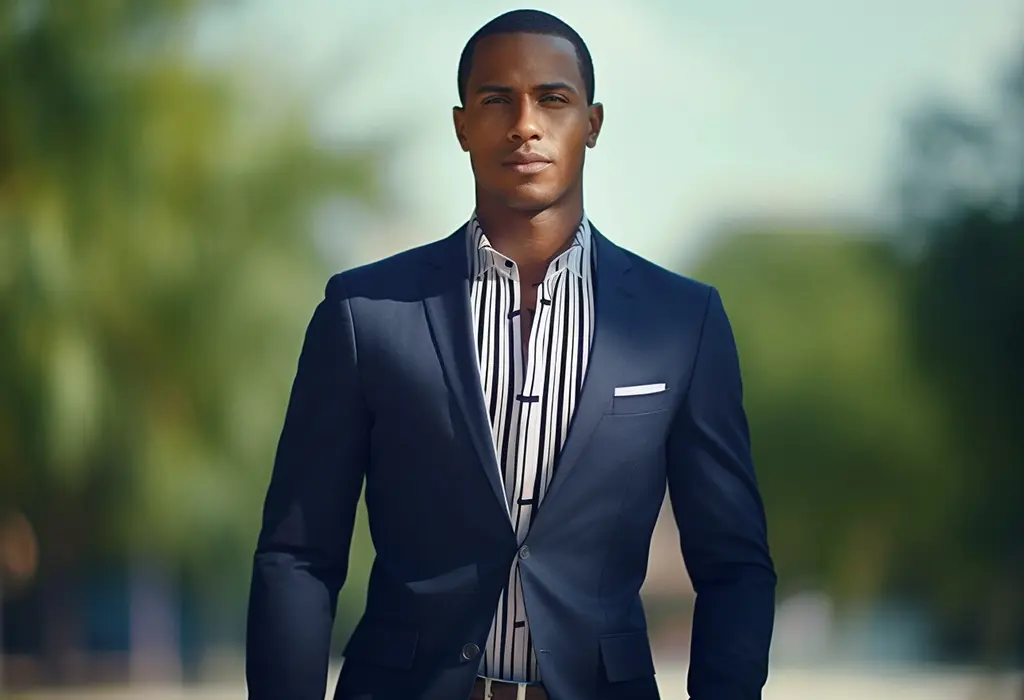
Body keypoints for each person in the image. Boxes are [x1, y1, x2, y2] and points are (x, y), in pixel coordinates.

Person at [245, 8, 775, 700]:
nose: (525, 123)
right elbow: (298, 555)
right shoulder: (365, 315)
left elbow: (734, 564)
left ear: (593, 123)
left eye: (553, 99)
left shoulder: (682, 321)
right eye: (498, 100)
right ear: (463, 125)